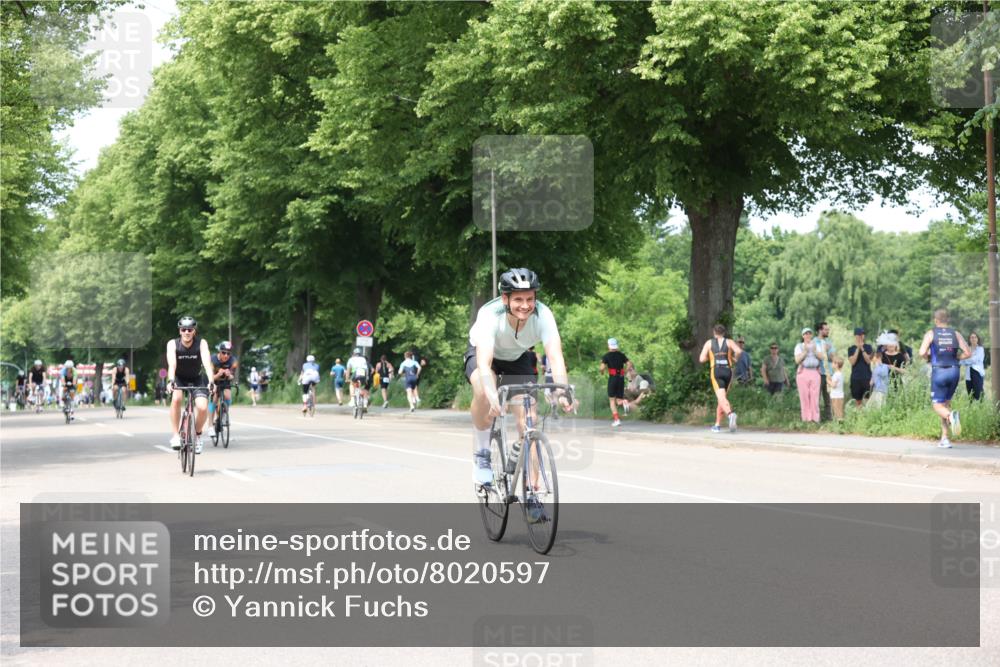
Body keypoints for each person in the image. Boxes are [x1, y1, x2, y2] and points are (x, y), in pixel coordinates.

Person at [465, 268, 576, 489]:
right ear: (505, 298)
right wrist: (492, 393)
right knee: (482, 390)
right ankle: (483, 453)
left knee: (530, 421)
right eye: (518, 299)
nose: (525, 305)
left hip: (518, 357)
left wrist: (562, 391)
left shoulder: (543, 315)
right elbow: (485, 365)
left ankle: (532, 494)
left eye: (529, 299)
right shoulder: (490, 315)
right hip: (486, 355)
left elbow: (555, 356)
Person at [918, 309, 971, 448]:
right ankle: (945, 438)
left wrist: (928, 358)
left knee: (937, 405)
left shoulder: (931, 333)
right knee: (945, 404)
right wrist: (957, 357)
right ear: (948, 320)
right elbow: (968, 353)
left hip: (939, 372)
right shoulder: (956, 334)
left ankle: (951, 416)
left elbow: (922, 352)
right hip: (954, 371)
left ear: (936, 321)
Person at [166, 316, 215, 453]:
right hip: (179, 378)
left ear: (194, 331)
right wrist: (170, 381)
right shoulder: (172, 344)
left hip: (197, 378)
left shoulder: (201, 343)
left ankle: (198, 435)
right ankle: (176, 435)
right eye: (184, 329)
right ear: (180, 331)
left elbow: (206, 363)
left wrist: (211, 381)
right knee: (176, 399)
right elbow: (172, 364)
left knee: (203, 407)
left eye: (190, 329)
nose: (187, 332)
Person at [698, 324, 741, 433]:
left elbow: (701, 359)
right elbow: (739, 351)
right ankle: (717, 425)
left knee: (721, 398)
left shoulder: (709, 343)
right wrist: (734, 358)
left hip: (716, 370)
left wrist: (711, 357)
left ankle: (731, 414)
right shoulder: (729, 342)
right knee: (722, 398)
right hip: (728, 371)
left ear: (714, 332)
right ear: (724, 332)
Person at [794, 327, 825, 423]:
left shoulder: (816, 345)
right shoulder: (799, 346)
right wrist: (805, 351)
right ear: (803, 336)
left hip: (815, 372)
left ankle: (815, 419)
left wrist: (815, 351)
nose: (808, 335)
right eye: (805, 334)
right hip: (803, 373)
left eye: (809, 333)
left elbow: (822, 357)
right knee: (804, 397)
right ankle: (806, 419)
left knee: (815, 397)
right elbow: (797, 360)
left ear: (811, 335)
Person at [600, 337, 633, 427]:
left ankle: (617, 420)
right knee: (619, 400)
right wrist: (626, 371)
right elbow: (630, 363)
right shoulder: (621, 355)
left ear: (609, 346)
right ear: (616, 346)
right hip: (621, 378)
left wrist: (602, 372)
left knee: (612, 400)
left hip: (613, 378)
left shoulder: (606, 356)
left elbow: (602, 368)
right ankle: (625, 402)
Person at [209, 341, 238, 431]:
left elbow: (232, 376)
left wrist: (229, 375)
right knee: (214, 399)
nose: (226, 355)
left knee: (228, 396)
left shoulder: (233, 361)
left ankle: (223, 415)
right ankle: (210, 425)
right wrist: (218, 374)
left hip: (225, 381)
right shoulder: (212, 360)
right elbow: (210, 377)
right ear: (219, 352)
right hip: (213, 381)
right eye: (223, 353)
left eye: (228, 353)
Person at [847, 327, 873, 408]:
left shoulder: (868, 347)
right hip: (855, 378)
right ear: (855, 336)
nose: (861, 336)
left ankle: (866, 417)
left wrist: (862, 348)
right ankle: (859, 417)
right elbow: (852, 362)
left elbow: (868, 361)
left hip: (867, 377)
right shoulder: (851, 349)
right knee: (857, 401)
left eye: (863, 334)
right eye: (859, 335)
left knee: (867, 400)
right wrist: (858, 348)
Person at [816, 322, 835, 421]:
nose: (828, 331)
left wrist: (827, 351)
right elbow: (817, 356)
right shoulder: (814, 341)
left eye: (828, 329)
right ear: (820, 330)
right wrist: (824, 350)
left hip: (828, 374)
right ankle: (816, 420)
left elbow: (832, 358)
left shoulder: (829, 342)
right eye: (826, 329)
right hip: (818, 374)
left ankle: (830, 420)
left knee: (829, 399)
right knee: (816, 399)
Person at [960, 332, 985, 401]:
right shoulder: (967, 349)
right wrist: (965, 359)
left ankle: (981, 407)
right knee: (970, 393)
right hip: (968, 374)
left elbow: (974, 360)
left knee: (978, 393)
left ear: (977, 339)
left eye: (975, 337)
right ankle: (971, 408)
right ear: (969, 339)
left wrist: (966, 359)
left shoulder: (980, 349)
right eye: (971, 337)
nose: (973, 339)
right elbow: (961, 361)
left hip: (977, 373)